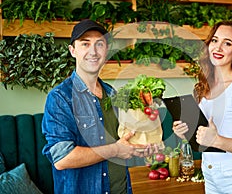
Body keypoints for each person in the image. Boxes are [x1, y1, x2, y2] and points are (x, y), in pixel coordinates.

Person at [42, 19, 154, 194]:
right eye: (85, 44)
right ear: (73, 51)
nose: (93, 51)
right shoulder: (60, 98)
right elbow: (62, 158)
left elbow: (124, 141)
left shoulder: (112, 93)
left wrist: (143, 144)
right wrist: (115, 149)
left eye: (99, 44)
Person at [173, 21, 232, 194]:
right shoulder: (203, 87)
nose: (218, 47)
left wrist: (218, 141)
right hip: (210, 175)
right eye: (215, 40)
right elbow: (203, 137)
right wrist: (185, 131)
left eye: (227, 43)